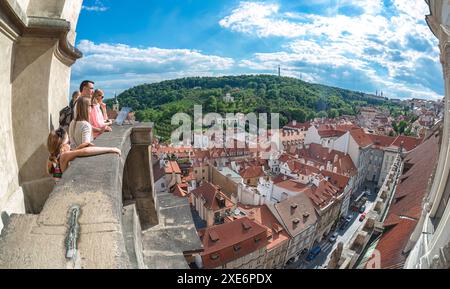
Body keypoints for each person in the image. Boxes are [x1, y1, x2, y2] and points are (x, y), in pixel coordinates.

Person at [47, 127, 121, 181]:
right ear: (62, 146)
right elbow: (85, 151)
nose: (70, 145)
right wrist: (111, 149)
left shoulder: (55, 157)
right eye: (68, 142)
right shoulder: (64, 156)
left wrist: (79, 147)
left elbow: (70, 155)